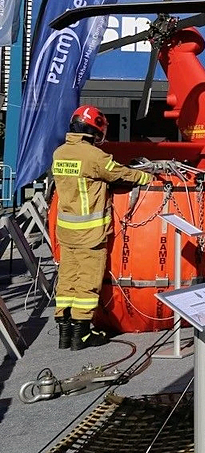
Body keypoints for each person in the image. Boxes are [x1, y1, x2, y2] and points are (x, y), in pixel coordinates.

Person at [52, 105, 154, 350]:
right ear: (94, 129)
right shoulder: (94, 156)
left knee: (67, 278)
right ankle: (83, 333)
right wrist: (147, 177)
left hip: (66, 230)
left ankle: (64, 331)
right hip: (90, 232)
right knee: (88, 280)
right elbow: (120, 174)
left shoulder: (60, 153)